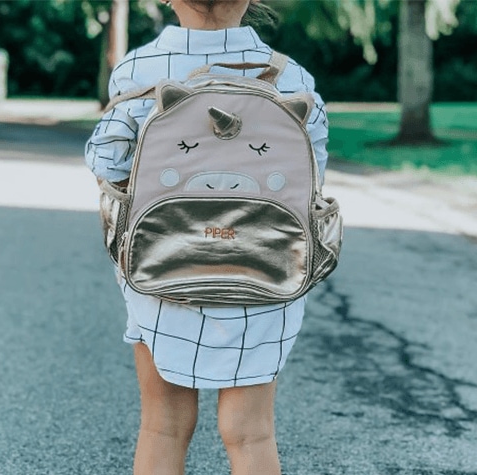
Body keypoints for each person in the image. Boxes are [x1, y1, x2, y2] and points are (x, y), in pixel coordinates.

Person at [85, 1, 329, 474]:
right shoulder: (293, 78)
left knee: (163, 424)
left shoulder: (139, 71)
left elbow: (107, 163)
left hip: (164, 268)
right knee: (252, 432)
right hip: (266, 269)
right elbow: (311, 175)